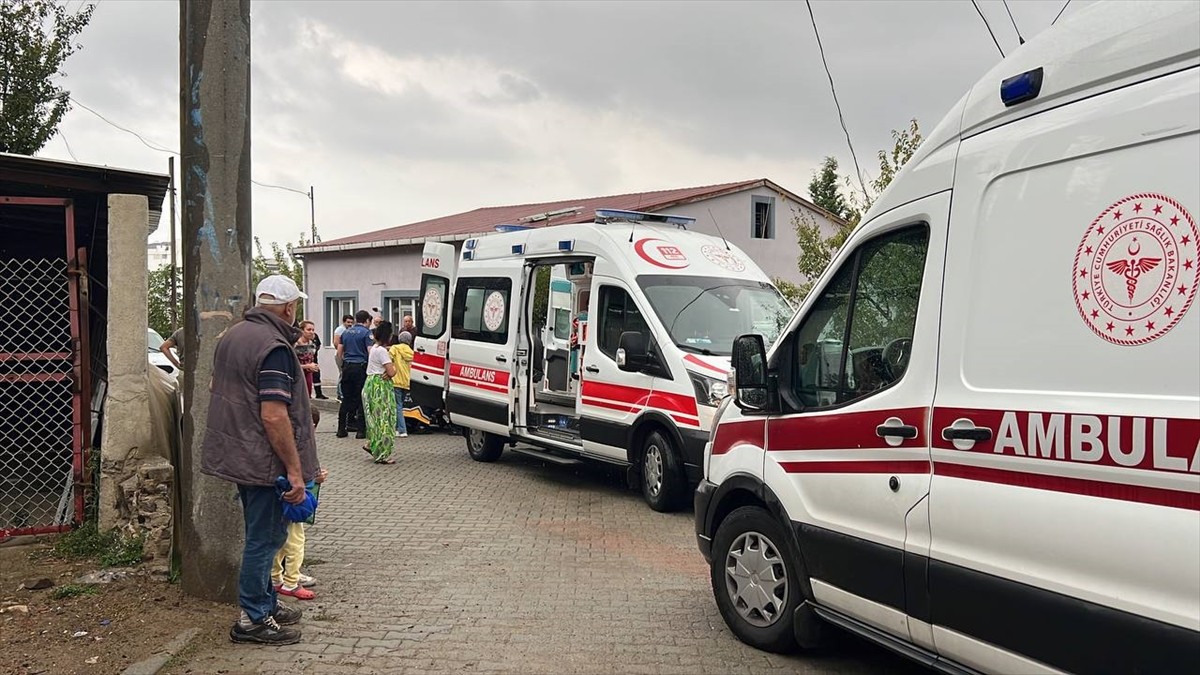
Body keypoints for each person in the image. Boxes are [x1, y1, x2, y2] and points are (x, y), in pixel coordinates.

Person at [200, 274, 319, 645]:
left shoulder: (234, 336)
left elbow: (214, 387)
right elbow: (273, 414)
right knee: (264, 539)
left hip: (240, 453)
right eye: (295, 305)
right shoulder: (274, 346)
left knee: (263, 534)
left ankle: (266, 604)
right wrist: (295, 471)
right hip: (264, 460)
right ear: (288, 308)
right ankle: (252, 618)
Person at [272, 408, 328, 601]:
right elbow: (302, 470)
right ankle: (291, 581)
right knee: (296, 542)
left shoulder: (280, 439)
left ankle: (275, 578)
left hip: (279, 495)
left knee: (278, 541)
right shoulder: (298, 444)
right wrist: (314, 478)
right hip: (294, 497)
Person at [363, 320, 397, 463]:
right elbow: (391, 371)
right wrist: (392, 369)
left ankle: (371, 443)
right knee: (385, 418)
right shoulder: (383, 352)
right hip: (380, 387)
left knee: (373, 418)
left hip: (370, 382)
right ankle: (382, 453)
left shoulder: (374, 349)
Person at [336, 311, 372, 439]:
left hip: (347, 367)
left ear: (356, 319)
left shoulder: (345, 332)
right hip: (360, 368)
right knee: (361, 398)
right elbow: (370, 352)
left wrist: (342, 368)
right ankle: (361, 431)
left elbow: (339, 353)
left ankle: (341, 429)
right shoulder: (367, 333)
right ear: (367, 320)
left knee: (346, 398)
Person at [389, 331, 415, 439]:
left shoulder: (394, 349)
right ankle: (397, 428)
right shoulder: (412, 352)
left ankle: (402, 430)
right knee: (400, 405)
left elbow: (388, 361)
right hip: (406, 382)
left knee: (397, 406)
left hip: (396, 380)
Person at [295, 320, 319, 397]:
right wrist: (307, 366)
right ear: (301, 330)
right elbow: (292, 363)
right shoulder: (295, 344)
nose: (311, 332)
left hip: (308, 374)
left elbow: (311, 359)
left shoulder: (312, 344)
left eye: (313, 330)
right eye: (308, 330)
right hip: (297, 375)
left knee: (307, 396)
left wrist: (314, 366)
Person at [332, 315, 353, 400]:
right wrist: (342, 353)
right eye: (348, 322)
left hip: (347, 355)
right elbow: (336, 343)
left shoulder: (351, 330)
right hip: (340, 355)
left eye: (351, 322)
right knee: (342, 373)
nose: (350, 324)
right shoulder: (340, 330)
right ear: (344, 322)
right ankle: (340, 394)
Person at [311, 331, 328, 399]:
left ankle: (319, 393)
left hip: (314, 360)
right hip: (305, 362)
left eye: (312, 329)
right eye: (309, 329)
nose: (311, 331)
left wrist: (315, 350)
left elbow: (318, 345)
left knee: (316, 376)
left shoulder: (315, 336)